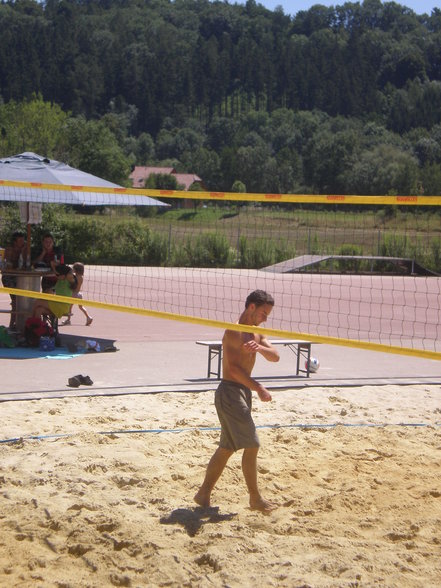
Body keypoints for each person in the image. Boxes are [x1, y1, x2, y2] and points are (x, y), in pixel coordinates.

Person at [194, 289, 280, 513]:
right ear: (251, 307)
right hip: (230, 392)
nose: (265, 318)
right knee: (252, 444)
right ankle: (255, 498)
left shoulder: (257, 334)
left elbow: (276, 356)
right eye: (263, 312)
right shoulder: (233, 332)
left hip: (242, 392)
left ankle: (203, 494)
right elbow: (232, 370)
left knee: (226, 448)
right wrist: (259, 387)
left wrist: (260, 348)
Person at [1, 231, 27, 330]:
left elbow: (25, 262)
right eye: (20, 240)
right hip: (9, 277)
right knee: (15, 300)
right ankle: (12, 324)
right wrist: (21, 252)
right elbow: (9, 264)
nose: (22, 242)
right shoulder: (9, 250)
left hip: (19, 276)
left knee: (20, 300)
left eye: (23, 240)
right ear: (15, 242)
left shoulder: (24, 249)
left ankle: (17, 323)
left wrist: (23, 251)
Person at [61, 262, 93, 326]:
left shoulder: (75, 277)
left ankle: (68, 320)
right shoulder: (81, 277)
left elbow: (72, 284)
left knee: (69, 308)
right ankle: (88, 317)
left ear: (76, 270)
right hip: (79, 294)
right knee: (81, 307)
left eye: (73, 268)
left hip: (73, 294)